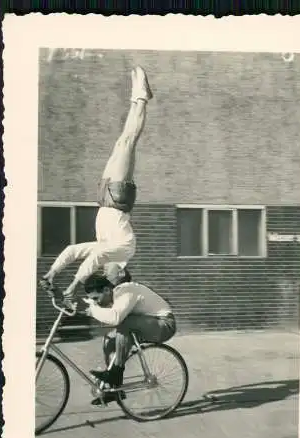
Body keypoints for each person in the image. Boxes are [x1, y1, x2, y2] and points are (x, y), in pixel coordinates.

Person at [40, 66, 153, 301]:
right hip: (118, 197)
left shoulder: (105, 248)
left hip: (105, 198)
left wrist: (51, 274)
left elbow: (73, 251)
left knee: (121, 142)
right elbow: (93, 259)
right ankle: (141, 98)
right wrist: (72, 286)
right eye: (110, 275)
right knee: (128, 142)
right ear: (120, 272)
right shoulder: (122, 251)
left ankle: (136, 97)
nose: (105, 272)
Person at [82, 271, 176, 405]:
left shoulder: (126, 291)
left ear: (107, 290)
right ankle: (114, 390)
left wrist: (93, 310)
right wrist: (94, 309)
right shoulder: (116, 295)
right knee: (109, 339)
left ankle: (115, 373)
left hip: (164, 324)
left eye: (97, 298)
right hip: (148, 324)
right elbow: (111, 316)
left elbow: (115, 318)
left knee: (124, 322)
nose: (97, 302)